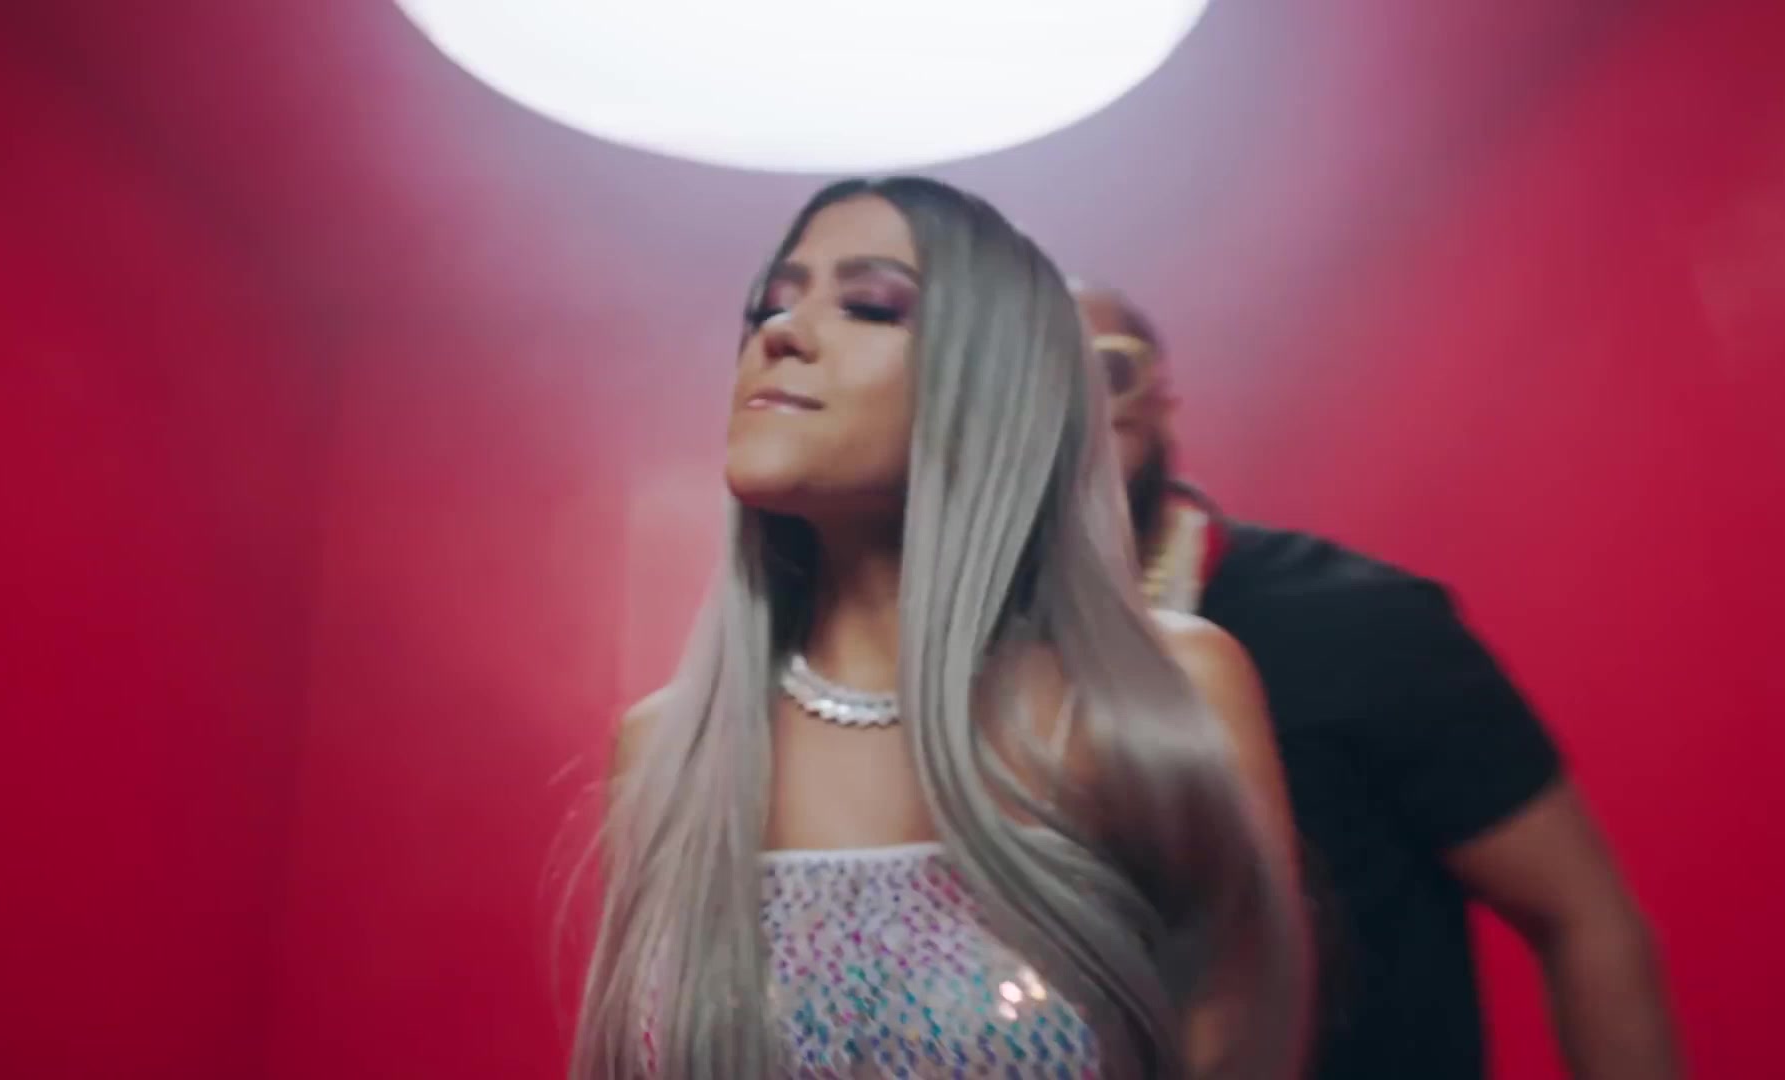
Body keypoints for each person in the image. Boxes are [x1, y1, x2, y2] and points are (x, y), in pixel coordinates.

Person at [572, 178, 1312, 1080]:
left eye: (870, 306)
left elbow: (1241, 1042)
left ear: (998, 381)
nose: (783, 332)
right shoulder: (670, 749)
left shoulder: (1153, 699)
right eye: (770, 305)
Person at [1074, 285, 1683, 1080]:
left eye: (1105, 371)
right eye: (1028, 379)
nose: (1071, 406)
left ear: (1162, 398)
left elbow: (1584, 919)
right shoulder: (960, 671)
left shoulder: (1356, 620)